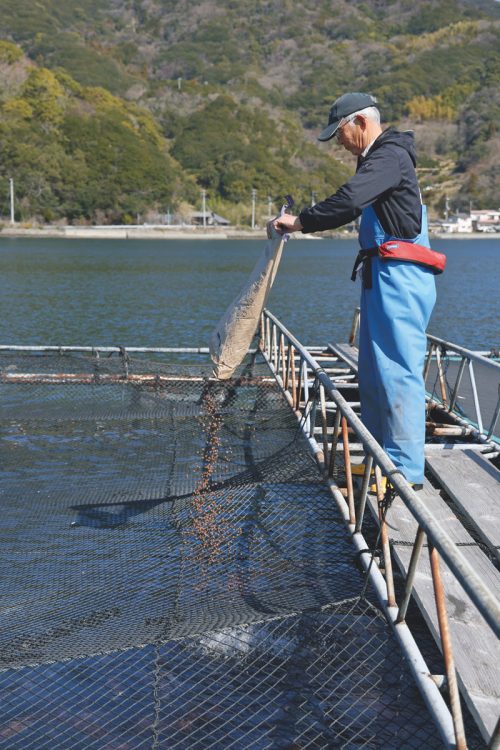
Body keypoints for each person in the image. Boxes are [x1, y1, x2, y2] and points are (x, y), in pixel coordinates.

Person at [271, 92, 439, 488]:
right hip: (380, 275)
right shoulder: (376, 158)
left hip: (402, 276)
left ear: (360, 123)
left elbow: (348, 202)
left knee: (398, 371)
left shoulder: (388, 157)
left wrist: (298, 222)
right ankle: (382, 457)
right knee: (374, 372)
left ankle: (405, 472)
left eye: (341, 134)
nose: (340, 144)